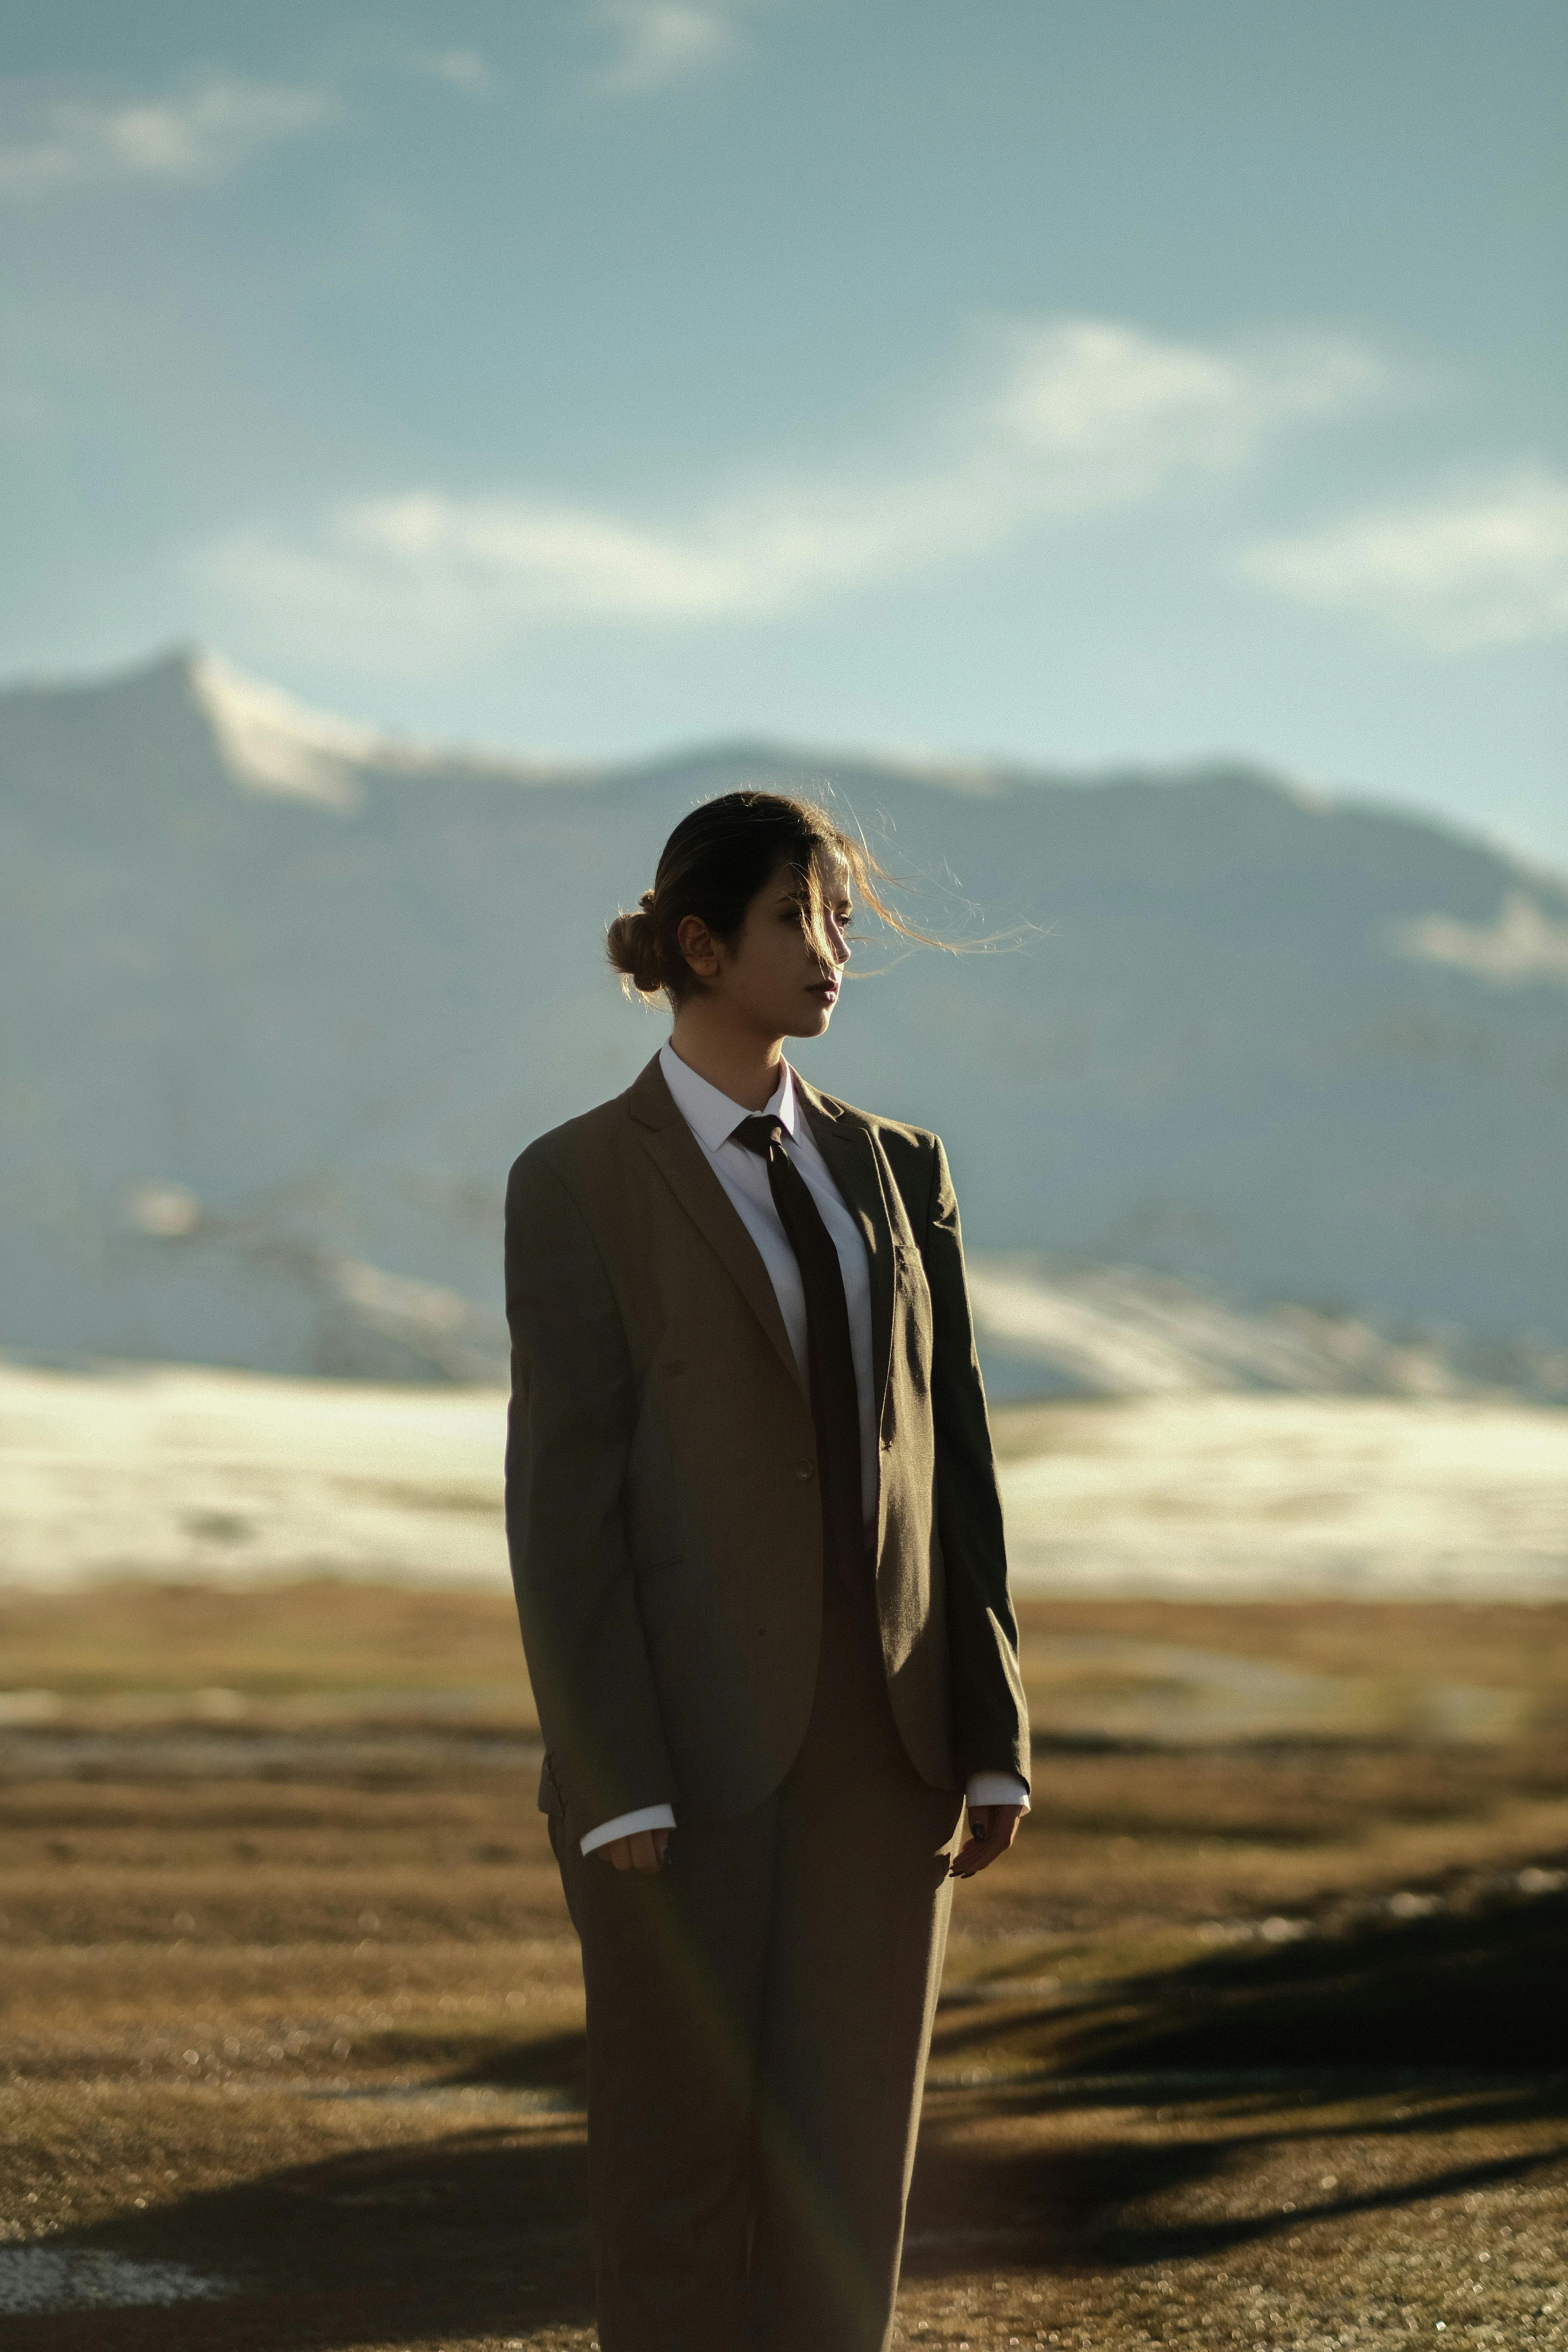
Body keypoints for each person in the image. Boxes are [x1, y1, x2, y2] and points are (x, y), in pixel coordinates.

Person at [504, 789, 1030, 2352]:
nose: (832, 950)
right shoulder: (579, 1179)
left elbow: (961, 1465)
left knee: (844, 2185)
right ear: (696, 941)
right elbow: (563, 1499)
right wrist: (614, 1780)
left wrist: (990, 1728)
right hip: (680, 1771)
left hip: (890, 1761)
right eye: (799, 917)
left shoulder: (899, 1170)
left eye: (840, 918)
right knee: (674, 2179)